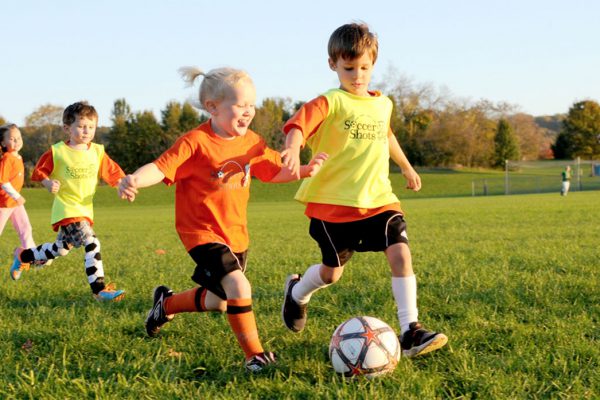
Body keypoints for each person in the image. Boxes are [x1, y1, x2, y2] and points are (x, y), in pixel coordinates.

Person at [118, 66, 327, 372]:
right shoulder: (195, 143)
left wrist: (307, 170)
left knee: (221, 300)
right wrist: (135, 179)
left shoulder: (252, 142)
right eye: (240, 106)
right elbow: (161, 167)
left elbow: (274, 170)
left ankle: (166, 304)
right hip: (200, 233)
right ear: (213, 107)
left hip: (236, 236)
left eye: (252, 105)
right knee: (239, 287)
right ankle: (254, 356)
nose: (248, 112)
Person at [280, 22, 448, 358]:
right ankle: (297, 293)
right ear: (333, 65)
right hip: (332, 204)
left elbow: (387, 137)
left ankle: (410, 330)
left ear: (373, 64)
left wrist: (406, 165)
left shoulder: (382, 104)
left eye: (365, 67)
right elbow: (298, 126)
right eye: (349, 68)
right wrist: (294, 148)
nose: (358, 75)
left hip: (378, 199)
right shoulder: (330, 102)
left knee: (400, 253)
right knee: (331, 273)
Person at [10, 102, 125, 302]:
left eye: (91, 126)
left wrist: (124, 186)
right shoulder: (58, 151)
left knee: (60, 249)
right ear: (67, 128)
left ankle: (24, 256)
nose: (86, 130)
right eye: (81, 126)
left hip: (85, 209)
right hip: (67, 208)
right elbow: (39, 171)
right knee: (91, 241)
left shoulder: (97, 151)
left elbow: (113, 173)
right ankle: (99, 290)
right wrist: (47, 182)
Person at [1, 123, 51, 280]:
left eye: (19, 137)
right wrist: (16, 196)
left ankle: (31, 256)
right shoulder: (7, 159)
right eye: (12, 139)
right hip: (3, 203)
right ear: (3, 143)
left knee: (25, 229)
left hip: (14, 203)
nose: (17, 141)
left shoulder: (18, 157)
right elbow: (3, 182)